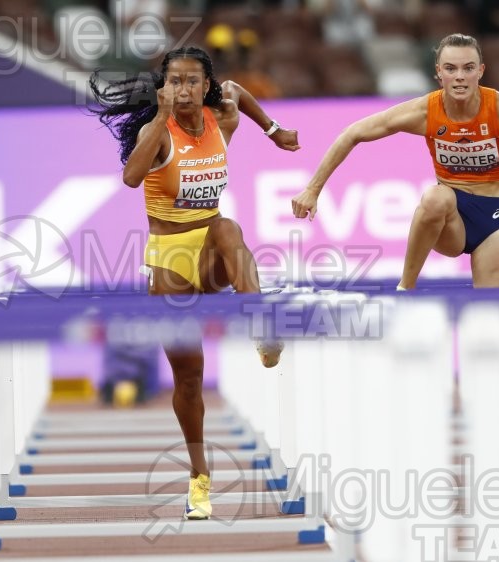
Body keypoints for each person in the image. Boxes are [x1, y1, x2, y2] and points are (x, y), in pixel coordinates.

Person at [90, 46, 299, 520]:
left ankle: (262, 326)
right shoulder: (155, 130)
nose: (183, 89)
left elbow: (240, 92)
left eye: (192, 81)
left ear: (207, 86)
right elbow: (130, 178)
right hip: (169, 260)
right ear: (163, 88)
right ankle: (199, 476)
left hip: (212, 251)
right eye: (175, 81)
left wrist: (273, 131)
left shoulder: (222, 116)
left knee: (227, 227)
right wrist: (161, 120)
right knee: (189, 379)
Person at [292, 33, 499, 288]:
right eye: (451, 69)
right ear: (438, 72)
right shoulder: (423, 111)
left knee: (497, 310)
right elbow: (352, 134)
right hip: (449, 217)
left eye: (468, 68)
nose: (460, 77)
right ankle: (406, 287)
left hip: (496, 217)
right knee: (436, 197)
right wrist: (313, 189)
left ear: (480, 71)